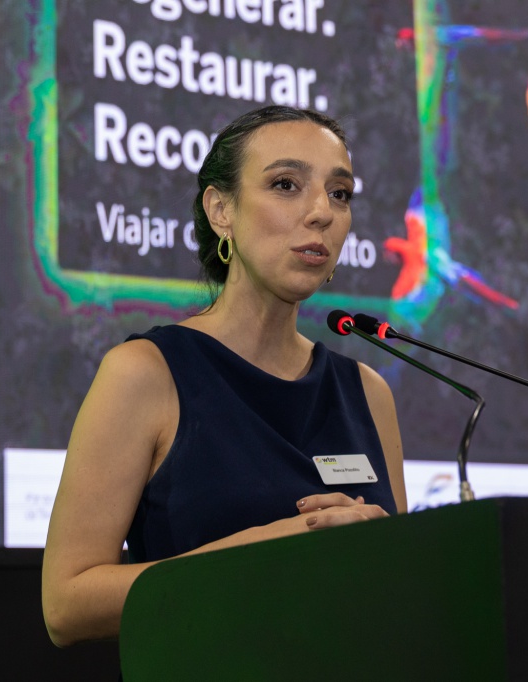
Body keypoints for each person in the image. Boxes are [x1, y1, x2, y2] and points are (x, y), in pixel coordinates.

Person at [42, 105, 407, 647]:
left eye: (340, 193)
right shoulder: (146, 372)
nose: (322, 213)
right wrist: (266, 552)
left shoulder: (367, 393)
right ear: (221, 210)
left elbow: (399, 590)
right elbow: (66, 607)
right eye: (285, 184)